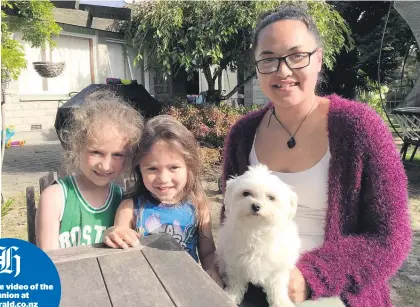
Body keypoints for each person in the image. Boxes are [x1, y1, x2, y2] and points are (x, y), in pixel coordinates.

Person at [221, 5, 412, 307]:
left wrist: (311, 278)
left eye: (297, 56)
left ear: (319, 59)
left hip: (333, 291)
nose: (283, 71)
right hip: (254, 283)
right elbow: (231, 214)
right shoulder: (243, 133)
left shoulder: (360, 127)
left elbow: (390, 239)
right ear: (257, 67)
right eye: (268, 59)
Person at [103, 115, 222, 286]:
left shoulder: (198, 206)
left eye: (173, 167)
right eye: (152, 168)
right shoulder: (130, 207)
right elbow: (119, 237)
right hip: (144, 287)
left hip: (187, 285)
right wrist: (114, 233)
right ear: (139, 170)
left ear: (189, 167)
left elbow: (208, 252)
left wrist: (212, 271)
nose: (163, 178)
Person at [35, 90, 144, 251]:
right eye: (96, 152)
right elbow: (48, 264)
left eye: (117, 155)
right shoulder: (55, 198)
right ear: (77, 146)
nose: (106, 165)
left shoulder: (123, 200)